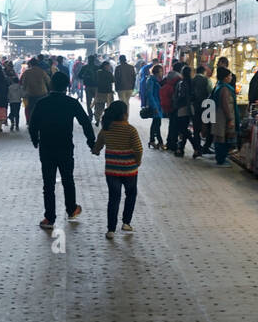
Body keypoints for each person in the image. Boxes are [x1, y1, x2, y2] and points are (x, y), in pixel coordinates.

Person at [29, 72, 96, 229]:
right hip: (65, 147)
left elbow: (33, 124)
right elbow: (86, 122)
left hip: (46, 148)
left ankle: (49, 218)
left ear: (51, 85)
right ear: (67, 86)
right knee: (68, 179)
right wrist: (91, 142)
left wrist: (35, 140)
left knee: (48, 184)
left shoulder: (42, 103)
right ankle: (71, 209)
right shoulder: (71, 103)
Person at [92, 100, 143, 239]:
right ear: (125, 114)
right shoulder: (131, 130)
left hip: (112, 170)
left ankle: (111, 230)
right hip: (129, 170)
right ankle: (126, 222)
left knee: (114, 198)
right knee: (131, 194)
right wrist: (137, 161)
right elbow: (138, 149)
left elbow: (97, 146)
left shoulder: (106, 129)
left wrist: (95, 150)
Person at [210, 68, 238, 167]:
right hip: (223, 117)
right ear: (225, 77)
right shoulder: (225, 89)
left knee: (220, 137)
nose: (231, 77)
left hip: (219, 115)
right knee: (222, 138)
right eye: (230, 76)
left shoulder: (219, 86)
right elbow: (225, 104)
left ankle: (220, 159)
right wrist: (230, 119)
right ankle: (221, 160)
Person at [172, 65, 200, 157]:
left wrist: (176, 104)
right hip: (190, 108)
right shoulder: (192, 83)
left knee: (183, 130)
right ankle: (181, 150)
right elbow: (195, 96)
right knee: (184, 129)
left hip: (182, 108)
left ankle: (196, 148)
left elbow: (180, 96)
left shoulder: (181, 83)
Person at [159, 62, 183, 152]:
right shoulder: (179, 78)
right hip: (175, 103)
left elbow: (161, 84)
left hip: (168, 102)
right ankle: (173, 144)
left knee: (172, 124)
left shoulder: (168, 75)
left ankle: (169, 143)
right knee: (175, 125)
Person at [191, 65, 213, 157]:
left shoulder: (192, 80)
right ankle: (206, 147)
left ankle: (197, 149)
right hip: (206, 107)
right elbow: (210, 92)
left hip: (195, 107)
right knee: (208, 127)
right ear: (204, 72)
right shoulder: (207, 80)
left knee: (196, 129)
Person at [20, 57, 50, 124]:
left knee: (31, 109)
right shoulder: (42, 71)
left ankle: (31, 122)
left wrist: (24, 92)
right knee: (42, 108)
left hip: (31, 94)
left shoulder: (27, 72)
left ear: (30, 64)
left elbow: (23, 84)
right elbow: (48, 81)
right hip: (42, 93)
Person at [142, 64, 164, 149]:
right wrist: (154, 107)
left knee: (156, 123)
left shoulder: (155, 80)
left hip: (157, 105)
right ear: (157, 72)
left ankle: (153, 141)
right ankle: (160, 142)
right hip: (155, 105)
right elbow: (150, 95)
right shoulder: (151, 80)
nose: (162, 73)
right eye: (161, 71)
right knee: (157, 124)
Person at [93, 59, 116, 125]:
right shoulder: (109, 73)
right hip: (108, 92)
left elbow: (95, 80)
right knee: (109, 107)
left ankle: (97, 118)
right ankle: (107, 119)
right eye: (108, 66)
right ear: (105, 66)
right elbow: (113, 80)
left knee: (99, 106)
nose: (109, 67)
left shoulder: (98, 72)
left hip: (100, 91)